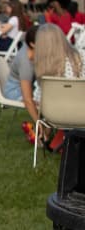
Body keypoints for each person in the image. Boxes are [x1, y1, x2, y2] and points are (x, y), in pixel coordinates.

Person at [30, 23, 84, 151]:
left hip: (55, 116)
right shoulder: (81, 57)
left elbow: (38, 100)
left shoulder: (43, 70)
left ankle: (60, 142)